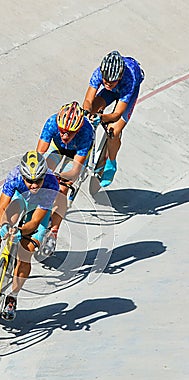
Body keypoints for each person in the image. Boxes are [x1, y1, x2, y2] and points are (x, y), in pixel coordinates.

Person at [0, 151, 59, 321]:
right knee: (1, 219)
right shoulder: (14, 176)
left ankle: (12, 296)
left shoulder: (51, 184)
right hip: (21, 199)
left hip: (38, 210)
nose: (34, 185)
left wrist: (21, 232)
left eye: (38, 180)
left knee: (27, 251)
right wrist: (5, 226)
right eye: (29, 181)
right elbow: (1, 209)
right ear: (22, 176)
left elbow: (36, 222)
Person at [36, 101, 95, 254]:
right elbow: (39, 154)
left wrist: (59, 176)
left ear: (79, 129)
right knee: (41, 174)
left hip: (76, 156)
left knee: (62, 189)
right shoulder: (51, 122)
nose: (65, 135)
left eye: (70, 133)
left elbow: (75, 170)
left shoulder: (86, 133)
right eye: (62, 131)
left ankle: (53, 232)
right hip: (58, 149)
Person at [83, 50, 145, 187]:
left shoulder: (129, 80)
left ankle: (111, 163)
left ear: (120, 76)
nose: (108, 84)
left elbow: (117, 114)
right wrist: (87, 112)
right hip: (112, 92)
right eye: (105, 80)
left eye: (112, 81)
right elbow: (88, 100)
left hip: (127, 92)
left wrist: (102, 117)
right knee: (91, 110)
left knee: (114, 131)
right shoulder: (99, 72)